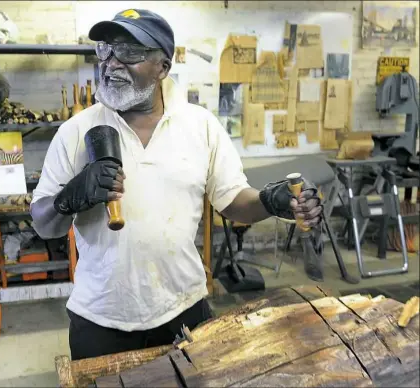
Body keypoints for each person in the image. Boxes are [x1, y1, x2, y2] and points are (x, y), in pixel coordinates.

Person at [30, 9, 322, 361]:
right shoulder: (75, 131)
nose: (111, 63)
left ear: (163, 67)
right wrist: (69, 198)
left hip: (183, 310)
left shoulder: (200, 126)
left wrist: (270, 201)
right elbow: (44, 224)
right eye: (106, 49)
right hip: (101, 317)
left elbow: (231, 201)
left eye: (131, 53)